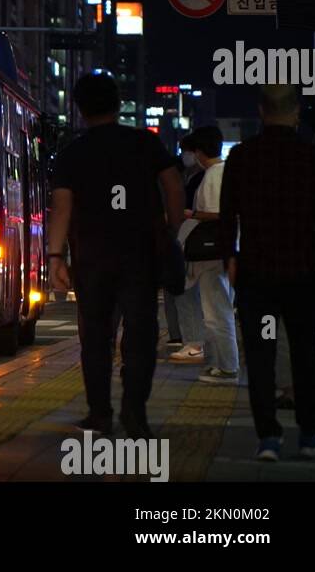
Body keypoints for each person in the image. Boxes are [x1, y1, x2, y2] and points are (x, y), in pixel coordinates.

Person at [48, 73, 185, 438]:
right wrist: (171, 229)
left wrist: (55, 257)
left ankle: (99, 414)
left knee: (95, 336)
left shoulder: (72, 153)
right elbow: (173, 183)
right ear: (118, 102)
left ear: (78, 109)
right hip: (141, 254)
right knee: (141, 334)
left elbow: (62, 206)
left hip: (92, 257)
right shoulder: (144, 143)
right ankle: (135, 414)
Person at [219, 84, 315, 461]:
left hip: (256, 274)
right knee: (305, 353)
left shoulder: (243, 157)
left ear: (261, 111)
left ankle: (269, 438)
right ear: (296, 113)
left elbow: (229, 215)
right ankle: (310, 433)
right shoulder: (311, 157)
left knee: (261, 356)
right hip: (303, 272)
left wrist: (230, 256)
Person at [182, 126, 239, 384]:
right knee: (216, 311)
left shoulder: (215, 174)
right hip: (222, 253)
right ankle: (218, 364)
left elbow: (218, 215)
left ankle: (227, 367)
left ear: (200, 151)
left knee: (217, 312)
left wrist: (191, 215)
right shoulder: (222, 172)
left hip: (213, 254)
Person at [168, 135, 208, 362]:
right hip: (197, 243)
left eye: (187, 151)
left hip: (200, 244)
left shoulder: (203, 177)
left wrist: (190, 214)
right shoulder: (195, 175)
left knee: (188, 294)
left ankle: (196, 344)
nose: (185, 156)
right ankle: (198, 344)